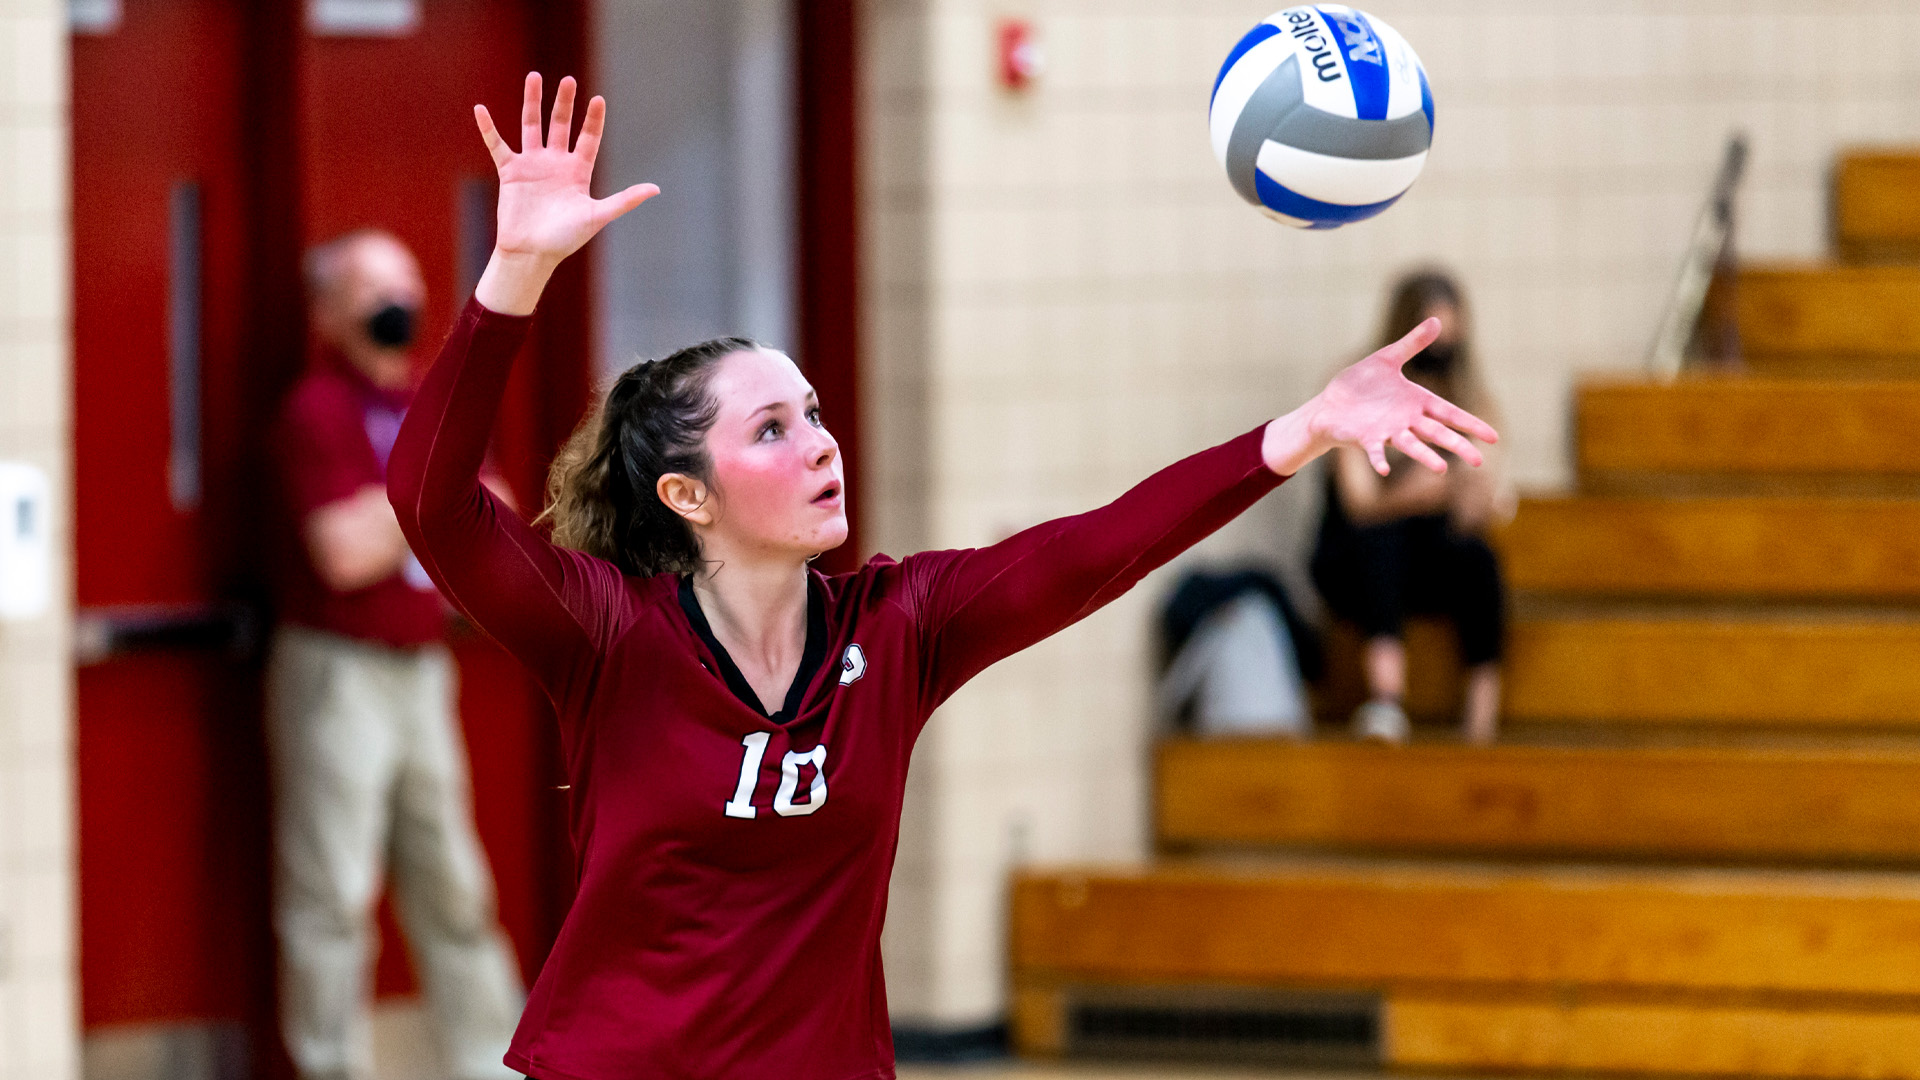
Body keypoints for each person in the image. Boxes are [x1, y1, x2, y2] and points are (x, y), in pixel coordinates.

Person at [386, 72, 1497, 1080]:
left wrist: (1298, 433)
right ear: (688, 495)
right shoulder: (611, 638)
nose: (822, 443)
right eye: (772, 429)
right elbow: (431, 504)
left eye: (815, 414)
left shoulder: (899, 624)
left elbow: (1099, 547)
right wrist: (514, 273)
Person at [269, 229, 524, 1080]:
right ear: (329, 309)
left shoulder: (432, 398)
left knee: (454, 885)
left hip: (424, 672)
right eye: (374, 288)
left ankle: (491, 1061)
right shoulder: (316, 410)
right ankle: (332, 1066)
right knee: (334, 894)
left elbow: (497, 519)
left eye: (407, 283)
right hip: (338, 674)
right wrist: (427, 492)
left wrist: (397, 506)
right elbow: (339, 553)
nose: (398, 303)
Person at [1310, 270, 1513, 746]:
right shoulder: (1356, 390)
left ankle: (1480, 721)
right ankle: (1386, 700)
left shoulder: (1467, 397)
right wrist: (1413, 495)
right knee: (1383, 542)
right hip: (1354, 553)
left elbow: (1477, 501)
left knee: (1480, 560)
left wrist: (1472, 498)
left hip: (1425, 555)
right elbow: (1359, 506)